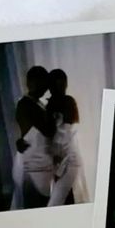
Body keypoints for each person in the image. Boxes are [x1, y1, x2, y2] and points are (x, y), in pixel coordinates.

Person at [11, 66, 56, 209]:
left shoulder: (39, 103)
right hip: (32, 160)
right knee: (35, 202)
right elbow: (48, 130)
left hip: (41, 158)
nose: (46, 88)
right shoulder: (25, 103)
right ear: (30, 82)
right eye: (42, 82)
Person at [46, 68, 89, 206]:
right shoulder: (49, 105)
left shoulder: (69, 101)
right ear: (50, 87)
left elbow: (73, 125)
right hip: (54, 150)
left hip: (68, 148)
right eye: (55, 87)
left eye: (62, 86)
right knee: (58, 185)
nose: (60, 90)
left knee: (70, 184)